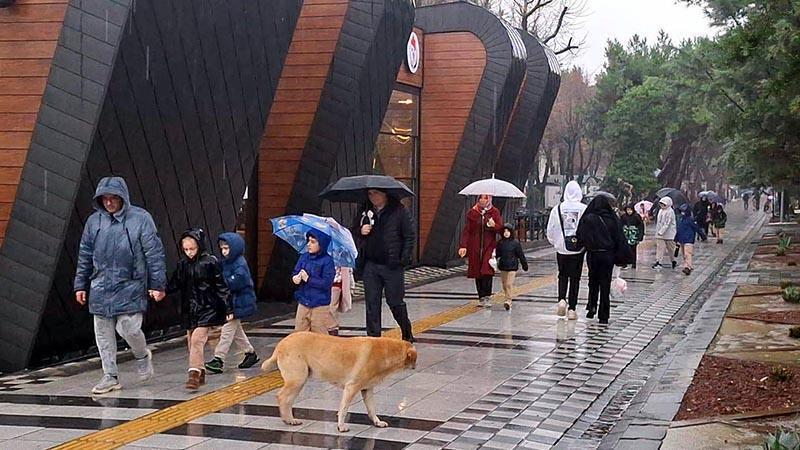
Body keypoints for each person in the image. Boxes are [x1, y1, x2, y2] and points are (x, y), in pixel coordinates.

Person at [74, 176, 167, 395]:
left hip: (130, 284)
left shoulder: (141, 219)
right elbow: (85, 254)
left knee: (128, 328)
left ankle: (142, 355)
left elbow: (154, 254)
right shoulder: (94, 222)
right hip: (100, 285)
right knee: (103, 334)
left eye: (113, 198)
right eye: (104, 198)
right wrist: (80, 284)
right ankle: (110, 375)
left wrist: (158, 285)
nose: (109, 202)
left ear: (122, 197)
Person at [167, 228, 232, 390]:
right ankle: (200, 370)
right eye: (186, 249)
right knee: (192, 340)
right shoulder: (183, 265)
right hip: (190, 308)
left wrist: (228, 308)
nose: (189, 252)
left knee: (197, 339)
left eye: (192, 249)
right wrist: (160, 291)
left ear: (199, 246)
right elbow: (175, 283)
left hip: (208, 307)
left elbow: (221, 286)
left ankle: (194, 373)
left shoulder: (210, 262)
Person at [357, 189, 415, 342]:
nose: (373, 197)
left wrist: (403, 259)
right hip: (371, 264)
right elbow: (354, 230)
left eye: (376, 193)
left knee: (395, 302)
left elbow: (409, 236)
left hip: (392, 265)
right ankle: (373, 338)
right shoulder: (365, 212)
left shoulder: (399, 211)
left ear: (385, 194)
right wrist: (361, 230)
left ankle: (406, 331)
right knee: (372, 303)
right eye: (370, 194)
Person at [204, 232, 259, 374]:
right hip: (232, 303)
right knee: (236, 331)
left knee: (227, 331)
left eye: (226, 248)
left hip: (238, 303)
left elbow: (234, 283)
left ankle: (219, 358)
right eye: (222, 248)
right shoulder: (226, 263)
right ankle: (250, 353)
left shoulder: (240, 265)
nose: (224, 251)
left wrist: (219, 283)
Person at [575, 195, 627, 324]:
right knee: (605, 283)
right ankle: (604, 314)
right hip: (608, 255)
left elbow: (580, 236)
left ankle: (592, 306)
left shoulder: (588, 218)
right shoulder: (612, 219)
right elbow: (619, 238)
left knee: (593, 281)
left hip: (593, 254)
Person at [546, 181, 587, 320]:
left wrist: (556, 243)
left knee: (562, 275)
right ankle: (572, 309)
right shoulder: (584, 209)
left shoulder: (557, 209)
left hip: (561, 249)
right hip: (578, 250)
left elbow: (550, 230)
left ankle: (562, 300)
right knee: (575, 279)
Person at [459, 194, 504, 308]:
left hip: (489, 246)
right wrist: (463, 246)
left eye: (486, 198)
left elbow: (501, 229)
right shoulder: (472, 213)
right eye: (481, 198)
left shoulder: (494, 212)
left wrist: (494, 225)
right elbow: (467, 230)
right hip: (475, 247)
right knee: (477, 272)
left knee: (487, 270)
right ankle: (481, 296)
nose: (483, 200)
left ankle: (487, 296)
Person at [291, 230, 337, 335]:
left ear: (321, 244)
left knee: (319, 333)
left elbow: (326, 283)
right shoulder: (304, 257)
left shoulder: (327, 261)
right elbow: (296, 271)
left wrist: (308, 279)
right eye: (308, 241)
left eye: (313, 242)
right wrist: (296, 277)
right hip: (304, 300)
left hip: (320, 303)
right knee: (299, 332)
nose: (308, 244)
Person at [495, 223, 529, 311]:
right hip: (503, 266)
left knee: (509, 284)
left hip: (512, 266)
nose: (506, 233)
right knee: (504, 285)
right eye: (504, 231)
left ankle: (508, 300)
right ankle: (507, 297)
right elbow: (497, 254)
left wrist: (524, 265)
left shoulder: (515, 243)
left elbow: (521, 255)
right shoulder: (500, 243)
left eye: (508, 231)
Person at [675, 204, 701, 275]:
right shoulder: (681, 220)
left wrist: (702, 235)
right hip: (682, 240)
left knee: (688, 254)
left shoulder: (690, 220)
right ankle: (687, 265)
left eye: (683, 211)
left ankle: (688, 267)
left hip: (689, 239)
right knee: (684, 254)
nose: (682, 213)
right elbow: (679, 230)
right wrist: (676, 239)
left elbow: (696, 228)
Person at [652, 197, 677, 270]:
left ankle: (673, 260)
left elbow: (667, 223)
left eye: (664, 204)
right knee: (660, 248)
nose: (662, 205)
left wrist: (661, 231)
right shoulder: (660, 211)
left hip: (669, 234)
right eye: (661, 204)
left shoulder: (670, 212)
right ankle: (658, 261)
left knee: (671, 249)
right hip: (660, 235)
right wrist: (658, 232)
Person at [329, 266, 354, 335]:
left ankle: (333, 331)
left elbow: (348, 267)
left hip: (335, 282)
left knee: (331, 308)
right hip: (318, 280)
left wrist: (351, 286)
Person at [620, 204, 645, 269]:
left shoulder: (636, 216)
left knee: (633, 250)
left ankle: (633, 263)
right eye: (627, 210)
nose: (629, 211)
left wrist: (640, 237)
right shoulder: (623, 217)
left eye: (630, 210)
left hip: (634, 235)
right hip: (625, 235)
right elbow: (620, 225)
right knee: (624, 250)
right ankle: (624, 263)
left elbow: (641, 226)